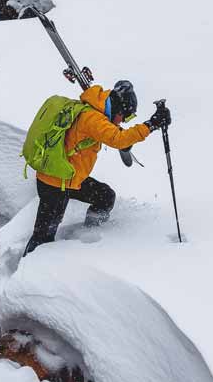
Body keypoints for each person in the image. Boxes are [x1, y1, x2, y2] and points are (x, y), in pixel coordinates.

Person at [24, 80, 171, 255]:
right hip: (55, 184)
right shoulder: (92, 119)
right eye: (126, 116)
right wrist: (151, 124)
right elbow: (118, 139)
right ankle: (27, 273)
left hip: (70, 178)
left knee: (105, 197)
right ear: (118, 109)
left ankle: (87, 236)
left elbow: (114, 134)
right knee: (43, 238)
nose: (124, 121)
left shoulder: (95, 110)